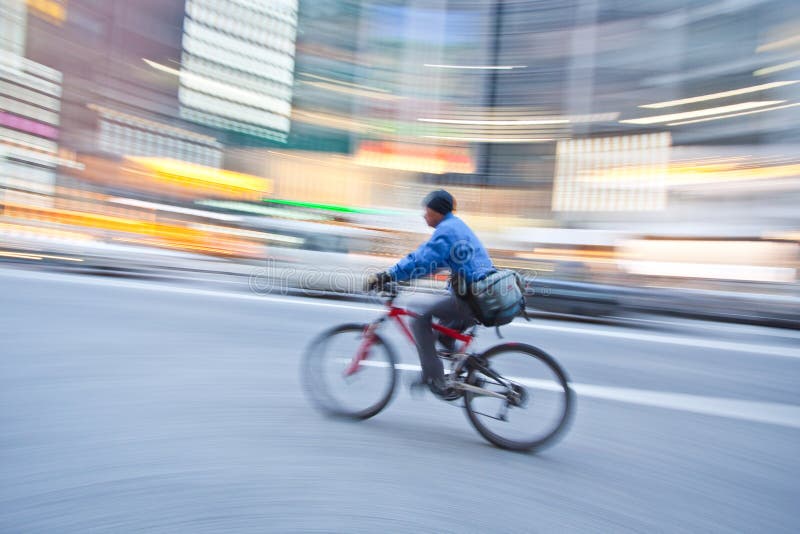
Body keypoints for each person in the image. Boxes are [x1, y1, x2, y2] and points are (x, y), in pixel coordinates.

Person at [366, 190, 495, 400]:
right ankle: (468, 372)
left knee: (419, 319)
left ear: (437, 211)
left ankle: (433, 377)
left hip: (473, 296)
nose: (424, 215)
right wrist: (404, 278)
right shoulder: (455, 226)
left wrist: (388, 275)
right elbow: (433, 264)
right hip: (480, 294)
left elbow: (422, 260)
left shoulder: (447, 230)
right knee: (443, 335)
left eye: (427, 210)